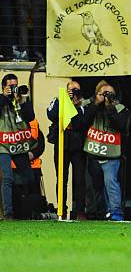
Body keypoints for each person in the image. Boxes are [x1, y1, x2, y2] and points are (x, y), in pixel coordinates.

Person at [82, 80, 130, 221]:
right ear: (97, 94)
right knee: (93, 186)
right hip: (93, 153)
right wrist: (96, 104)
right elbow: (83, 121)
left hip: (111, 155)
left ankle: (116, 213)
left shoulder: (120, 108)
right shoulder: (88, 105)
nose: (106, 96)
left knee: (111, 183)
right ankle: (96, 212)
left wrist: (110, 108)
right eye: (103, 93)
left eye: (110, 94)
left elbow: (122, 126)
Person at [47, 80, 87, 220]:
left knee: (80, 179)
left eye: (77, 90)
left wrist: (74, 105)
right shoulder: (58, 100)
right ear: (67, 90)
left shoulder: (82, 105)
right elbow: (51, 116)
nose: (75, 93)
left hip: (77, 145)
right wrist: (64, 101)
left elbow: (80, 123)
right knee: (62, 178)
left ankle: (80, 210)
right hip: (61, 143)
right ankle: (62, 210)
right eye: (72, 90)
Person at [0, 74, 36, 220]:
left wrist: (22, 99)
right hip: (2, 145)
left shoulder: (21, 99)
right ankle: (8, 213)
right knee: (7, 178)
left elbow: (30, 116)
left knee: (29, 177)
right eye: (10, 86)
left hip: (19, 144)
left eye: (15, 85)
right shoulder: (1, 99)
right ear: (4, 87)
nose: (14, 88)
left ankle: (23, 210)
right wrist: (4, 96)